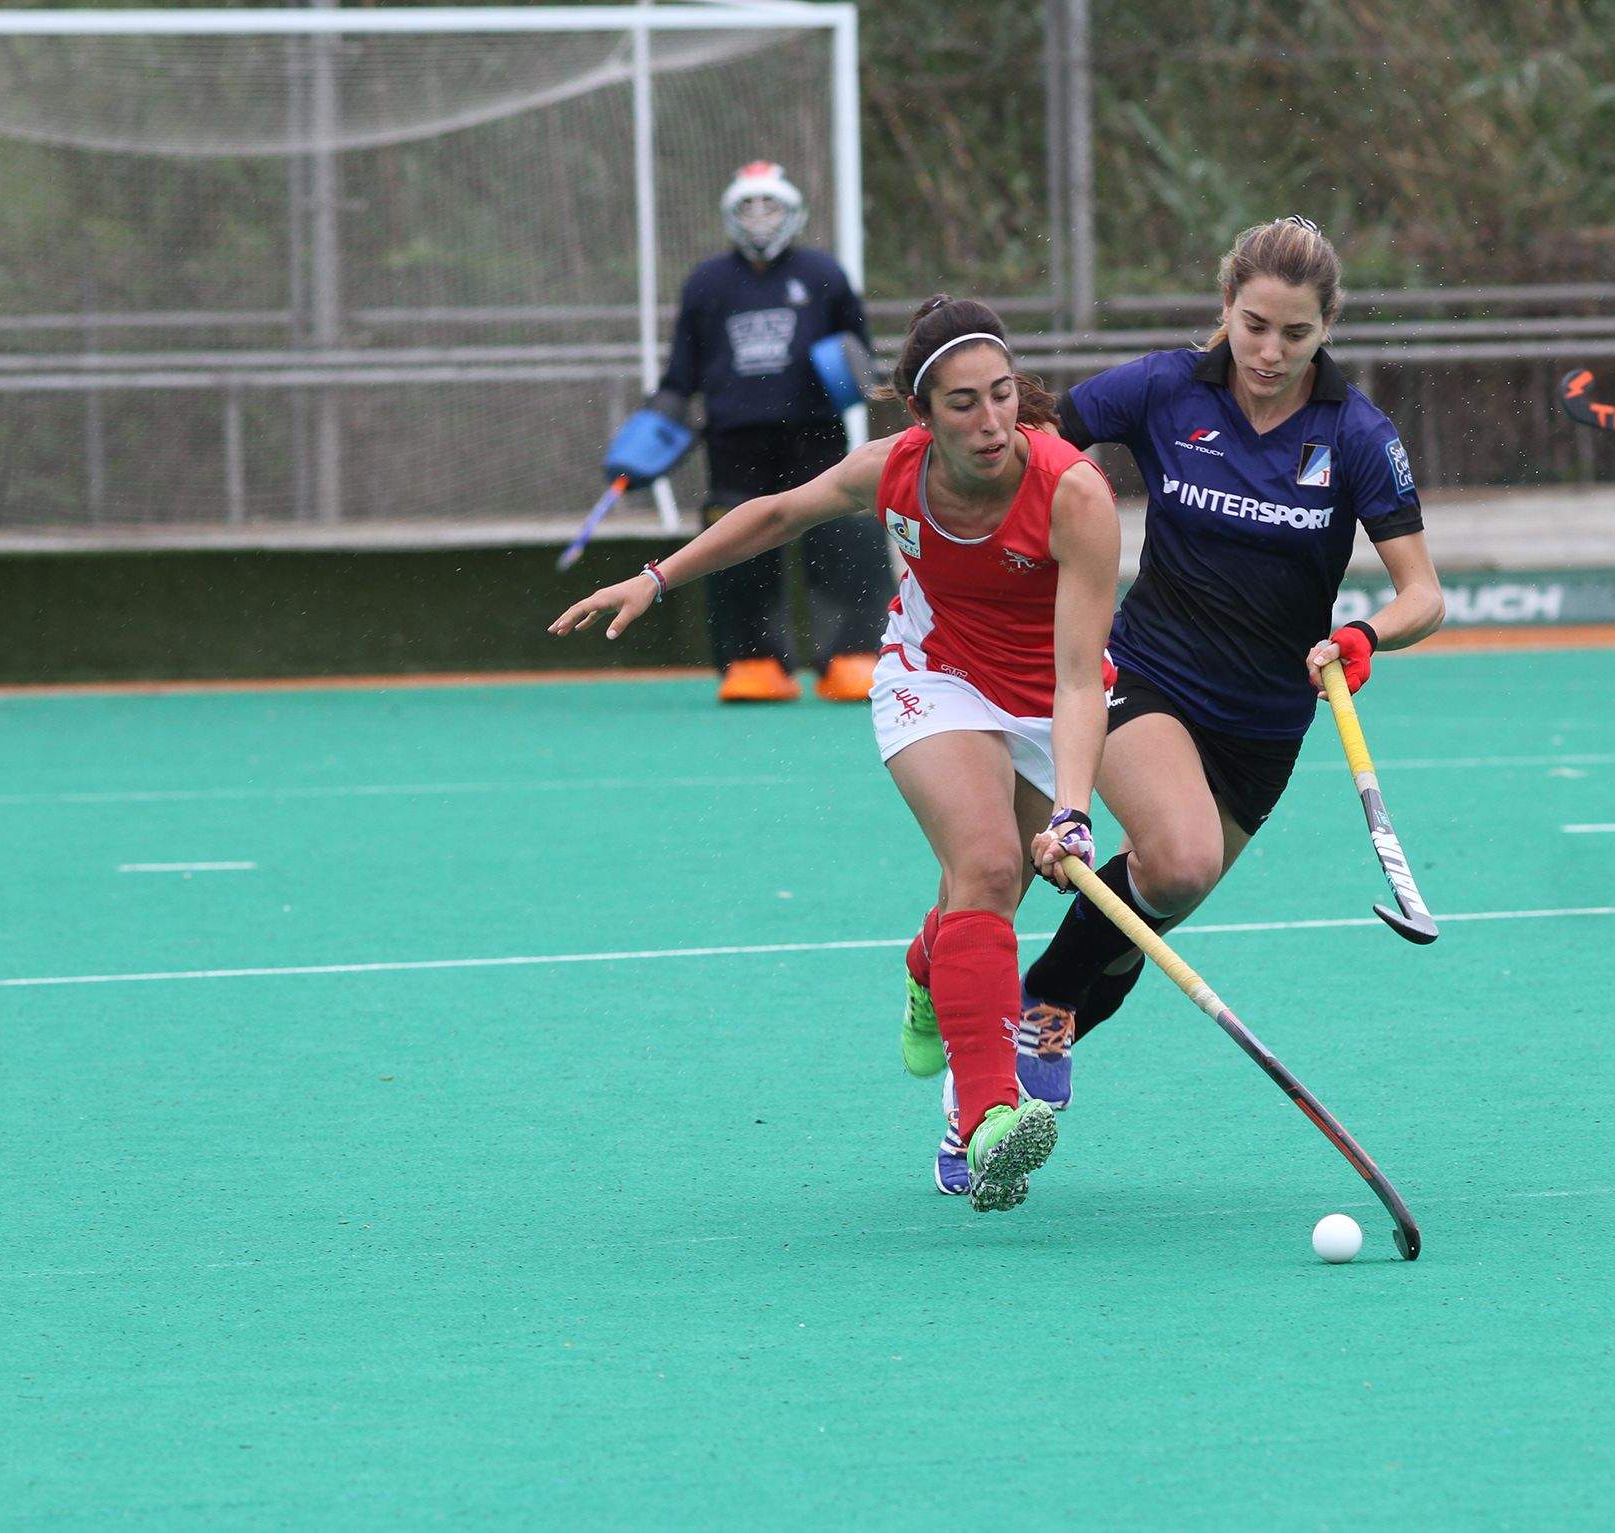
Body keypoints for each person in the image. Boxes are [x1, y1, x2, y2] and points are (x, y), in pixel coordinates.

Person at [555, 296, 1120, 1212]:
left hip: (1045, 696)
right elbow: (776, 513)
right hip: (930, 677)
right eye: (964, 403)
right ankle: (985, 1121)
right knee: (983, 865)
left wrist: (1072, 809)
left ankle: (929, 966)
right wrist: (655, 577)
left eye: (1004, 396)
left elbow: (1080, 678)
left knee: (991, 895)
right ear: (920, 415)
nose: (991, 422)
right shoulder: (891, 472)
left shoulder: (1074, 494)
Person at [897, 216, 1444, 1137]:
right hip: (1145, 675)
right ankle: (1030, 1020)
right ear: (1226, 306)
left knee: (1170, 884)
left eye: (1296, 333)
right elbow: (1026, 442)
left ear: (1327, 330)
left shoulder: (1355, 433)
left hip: (1265, 721)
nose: (1270, 351)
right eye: (1255, 324)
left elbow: (1423, 591)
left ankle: (1043, 995)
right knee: (1182, 851)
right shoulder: (1163, 390)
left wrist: (1365, 637)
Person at [602, 161, 892, 704]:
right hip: (735, 442)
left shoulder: (824, 273)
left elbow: (860, 355)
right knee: (736, 547)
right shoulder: (707, 283)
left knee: (844, 541)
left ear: (794, 210)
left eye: (771, 205)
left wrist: (862, 381)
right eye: (747, 207)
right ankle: (752, 661)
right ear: (729, 216)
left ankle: (854, 655)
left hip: (815, 436)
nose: (760, 218)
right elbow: (680, 374)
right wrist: (650, 431)